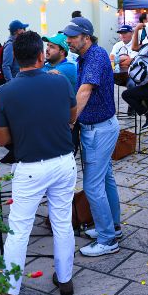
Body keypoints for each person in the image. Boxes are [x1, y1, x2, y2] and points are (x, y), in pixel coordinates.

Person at [0, 31, 78, 295]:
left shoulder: (5, 92)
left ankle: (9, 293)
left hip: (30, 167)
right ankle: (65, 280)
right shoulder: (60, 81)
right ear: (41, 56)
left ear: (15, 58)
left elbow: (1, 139)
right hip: (64, 161)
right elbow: (71, 117)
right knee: (62, 221)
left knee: (18, 230)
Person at [64, 17, 122, 256]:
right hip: (101, 127)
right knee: (105, 179)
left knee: (92, 185)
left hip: (98, 130)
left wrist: (68, 122)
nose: (68, 40)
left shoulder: (95, 57)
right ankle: (112, 227)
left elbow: (85, 91)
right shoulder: (87, 56)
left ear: (86, 37)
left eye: (72, 37)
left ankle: (108, 240)